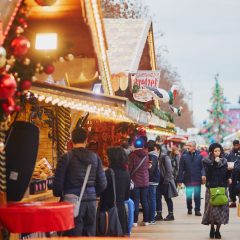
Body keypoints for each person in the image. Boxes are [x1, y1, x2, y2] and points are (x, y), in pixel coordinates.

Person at [53, 127, 107, 236]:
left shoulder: (66, 157)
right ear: (86, 140)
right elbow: (103, 184)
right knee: (89, 234)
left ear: (72, 140)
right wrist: (92, 193)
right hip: (91, 203)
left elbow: (57, 186)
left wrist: (61, 193)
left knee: (73, 234)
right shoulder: (95, 158)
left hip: (71, 203)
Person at [202, 143, 231, 239]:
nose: (217, 153)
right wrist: (214, 163)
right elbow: (208, 175)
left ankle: (218, 230)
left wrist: (230, 172)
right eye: (215, 151)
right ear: (211, 152)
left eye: (219, 151)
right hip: (211, 189)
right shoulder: (206, 161)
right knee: (212, 211)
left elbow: (225, 175)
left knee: (222, 210)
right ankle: (212, 228)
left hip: (223, 188)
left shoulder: (224, 161)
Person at [99, 146, 130, 236]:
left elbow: (101, 192)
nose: (106, 158)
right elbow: (127, 196)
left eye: (107, 156)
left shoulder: (107, 173)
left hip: (107, 210)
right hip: (120, 210)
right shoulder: (126, 172)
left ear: (112, 158)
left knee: (107, 233)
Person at [177, 141, 206, 216]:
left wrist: (203, 175)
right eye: (187, 145)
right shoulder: (184, 156)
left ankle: (197, 210)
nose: (188, 147)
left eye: (189, 146)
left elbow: (203, 167)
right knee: (189, 196)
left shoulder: (200, 156)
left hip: (197, 178)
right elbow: (181, 169)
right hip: (188, 179)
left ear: (194, 147)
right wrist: (179, 180)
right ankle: (189, 208)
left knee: (197, 195)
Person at [128, 136, 150, 227]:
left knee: (136, 201)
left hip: (136, 181)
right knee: (145, 201)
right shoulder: (147, 155)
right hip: (145, 181)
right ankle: (146, 220)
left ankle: (134, 221)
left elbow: (129, 169)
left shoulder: (132, 155)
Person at [155, 147, 177, 221]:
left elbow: (169, 170)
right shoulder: (154, 157)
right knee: (158, 198)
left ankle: (171, 214)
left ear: (158, 150)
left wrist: (166, 181)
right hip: (158, 181)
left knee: (167, 198)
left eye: (155, 149)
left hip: (165, 181)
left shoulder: (165, 157)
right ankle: (159, 214)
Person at [147, 140, 160, 224]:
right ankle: (151, 218)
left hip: (152, 180)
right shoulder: (154, 155)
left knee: (151, 199)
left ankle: (151, 218)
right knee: (151, 199)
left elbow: (150, 169)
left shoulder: (151, 156)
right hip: (154, 179)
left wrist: (146, 175)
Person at [226, 139, 240, 208]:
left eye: (237, 145)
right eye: (235, 145)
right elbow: (228, 162)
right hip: (232, 173)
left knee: (238, 188)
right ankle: (233, 200)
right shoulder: (231, 153)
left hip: (239, 174)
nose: (236, 146)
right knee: (231, 188)